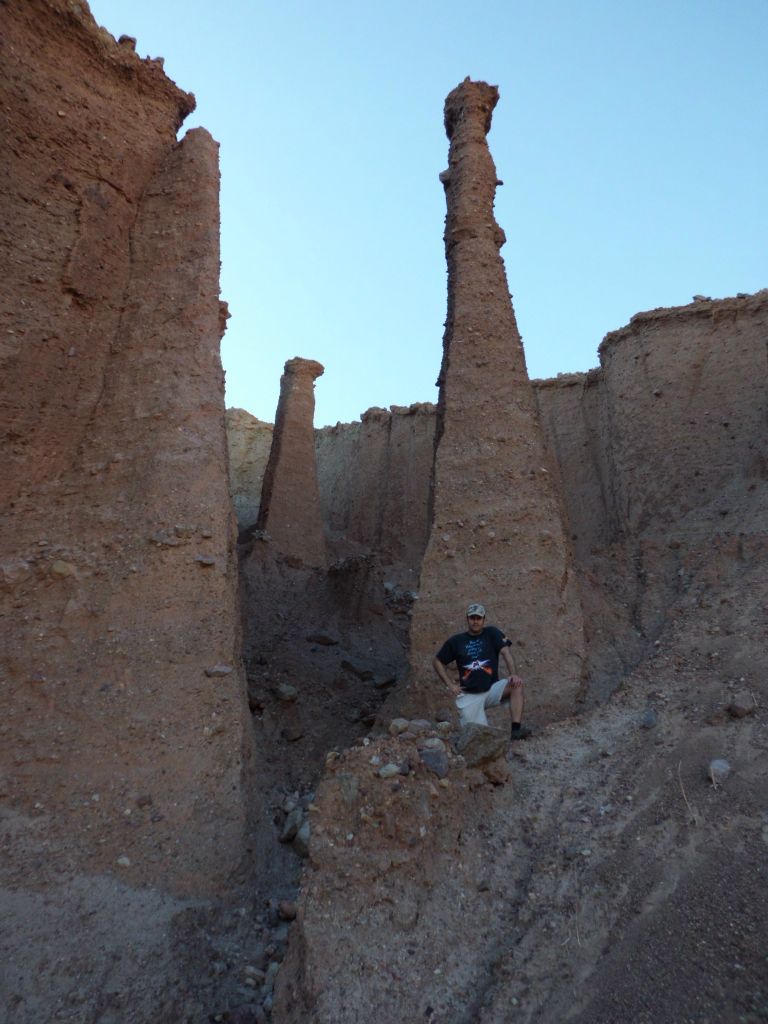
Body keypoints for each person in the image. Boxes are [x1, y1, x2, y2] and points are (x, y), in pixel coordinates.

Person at [432, 603, 532, 739]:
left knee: (516, 684)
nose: (475, 621)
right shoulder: (456, 641)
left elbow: (506, 653)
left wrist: (513, 674)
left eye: (478, 618)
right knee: (479, 739)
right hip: (469, 696)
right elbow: (437, 661)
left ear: (483, 619)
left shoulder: (492, 633)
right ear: (467, 619)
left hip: (491, 689)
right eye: (472, 618)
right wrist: (450, 685)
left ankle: (515, 730)